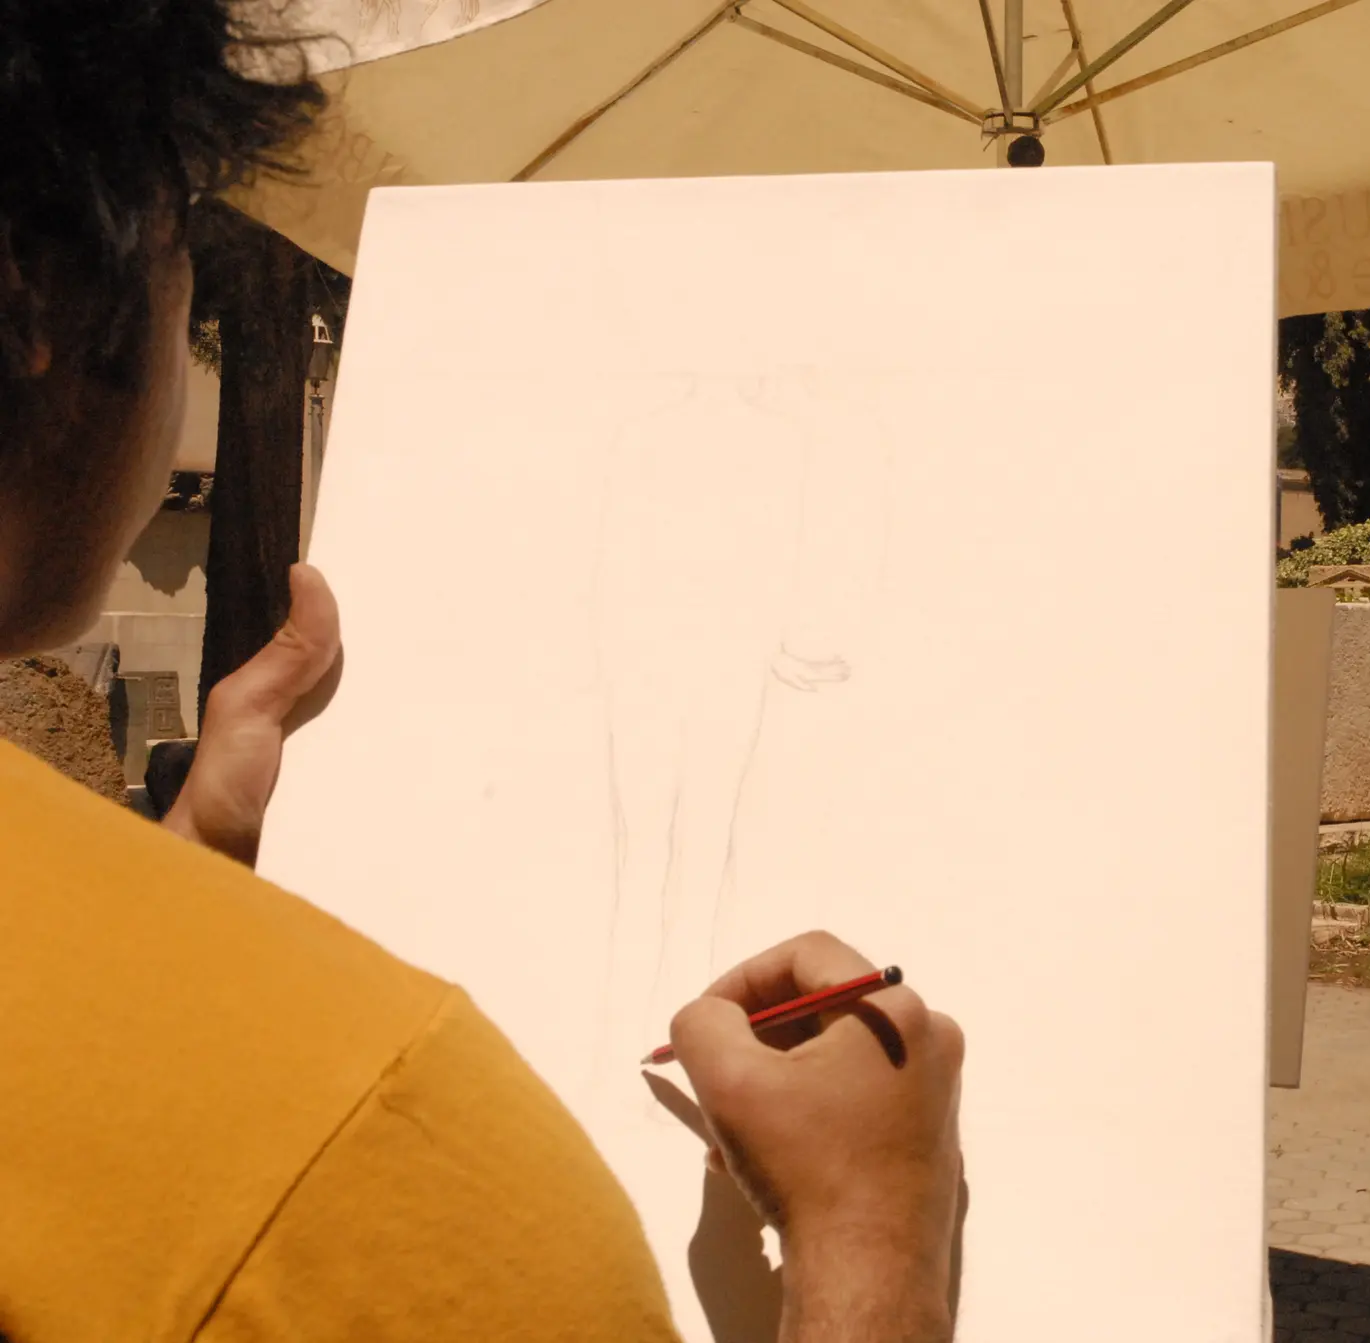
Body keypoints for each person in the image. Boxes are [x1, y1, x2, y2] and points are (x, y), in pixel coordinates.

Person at [0, 4, 964, 1341]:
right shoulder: (395, 1159)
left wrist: (183, 872)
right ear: (44, 295)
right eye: (186, 243)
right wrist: (874, 1240)